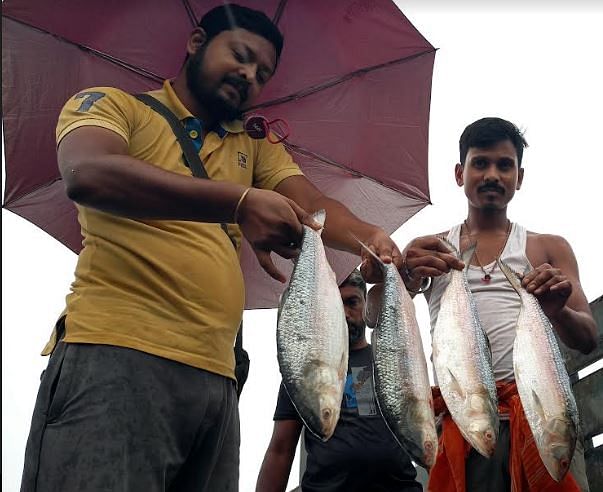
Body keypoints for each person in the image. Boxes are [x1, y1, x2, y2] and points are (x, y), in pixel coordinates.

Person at [20, 5, 404, 491]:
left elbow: (314, 205)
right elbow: (89, 172)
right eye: (240, 56)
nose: (249, 75)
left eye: (262, 73)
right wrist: (240, 201)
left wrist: (373, 240)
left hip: (220, 382)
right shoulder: (113, 105)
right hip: (116, 355)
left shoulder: (256, 147)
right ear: (197, 42)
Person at [399, 117, 597, 492]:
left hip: (543, 417)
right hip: (465, 417)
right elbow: (377, 314)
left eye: (504, 165)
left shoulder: (547, 248)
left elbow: (588, 336)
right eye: (480, 163)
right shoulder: (431, 249)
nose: (492, 174)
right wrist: (405, 276)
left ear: (519, 177)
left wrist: (558, 312)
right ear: (460, 173)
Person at [256, 269, 422, 492]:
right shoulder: (302, 368)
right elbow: (280, 449)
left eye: (352, 302)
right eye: (335, 303)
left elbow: (422, 427)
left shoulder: (391, 361)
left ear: (366, 305)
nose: (344, 313)